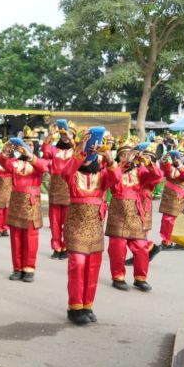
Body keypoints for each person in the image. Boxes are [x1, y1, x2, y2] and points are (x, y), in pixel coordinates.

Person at [62, 135, 121, 324]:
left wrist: (109, 158)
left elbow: (117, 178)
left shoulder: (103, 175)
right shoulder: (72, 174)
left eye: (92, 152)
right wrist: (82, 150)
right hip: (75, 225)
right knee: (78, 263)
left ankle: (87, 305)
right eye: (86, 152)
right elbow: (66, 170)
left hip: (95, 226)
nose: (88, 156)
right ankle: (75, 307)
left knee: (92, 267)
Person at [105, 141, 163, 292]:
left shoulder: (140, 171)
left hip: (136, 213)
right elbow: (112, 178)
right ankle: (118, 277)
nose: (128, 156)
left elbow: (157, 177)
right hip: (118, 211)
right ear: (119, 157)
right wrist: (122, 164)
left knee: (141, 247)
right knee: (117, 247)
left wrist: (148, 163)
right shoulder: (113, 170)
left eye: (129, 154)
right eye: (123, 155)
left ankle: (140, 278)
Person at [2, 135, 49, 282]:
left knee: (30, 237)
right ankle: (17, 268)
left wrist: (30, 156)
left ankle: (29, 268)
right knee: (15, 237)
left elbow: (43, 168)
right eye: (24, 144)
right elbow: (3, 163)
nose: (27, 146)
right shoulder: (14, 163)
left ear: (34, 147)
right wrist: (6, 149)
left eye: (30, 144)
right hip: (16, 201)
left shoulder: (38, 162)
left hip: (31, 202)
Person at [42, 121, 76, 259]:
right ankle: (56, 247)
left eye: (68, 134)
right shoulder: (54, 150)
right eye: (62, 134)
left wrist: (71, 138)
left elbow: (81, 152)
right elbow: (45, 149)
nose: (65, 137)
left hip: (70, 188)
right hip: (56, 189)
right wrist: (50, 135)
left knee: (68, 222)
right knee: (55, 222)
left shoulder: (74, 151)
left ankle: (67, 246)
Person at [158, 149, 184, 249]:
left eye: (181, 156)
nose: (178, 158)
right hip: (169, 197)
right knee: (167, 219)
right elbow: (164, 169)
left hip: (180, 197)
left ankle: (179, 241)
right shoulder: (170, 167)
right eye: (177, 156)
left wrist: (179, 165)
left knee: (178, 219)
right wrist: (164, 160)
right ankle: (166, 240)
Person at [0, 145, 14, 238]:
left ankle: (5, 228)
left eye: (8, 151)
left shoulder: (13, 162)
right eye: (4, 150)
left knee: (7, 210)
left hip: (9, 188)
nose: (6, 152)